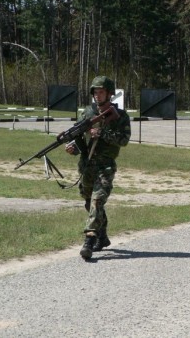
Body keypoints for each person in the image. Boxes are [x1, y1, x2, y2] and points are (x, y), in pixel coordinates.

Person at [65, 76, 131, 259]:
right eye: (95, 91)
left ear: (110, 93)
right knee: (89, 202)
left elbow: (123, 140)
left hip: (105, 167)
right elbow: (80, 140)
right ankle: (102, 236)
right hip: (87, 167)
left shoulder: (121, 116)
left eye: (101, 91)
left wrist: (102, 133)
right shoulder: (87, 113)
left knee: (97, 201)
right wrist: (73, 148)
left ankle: (89, 239)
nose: (97, 95)